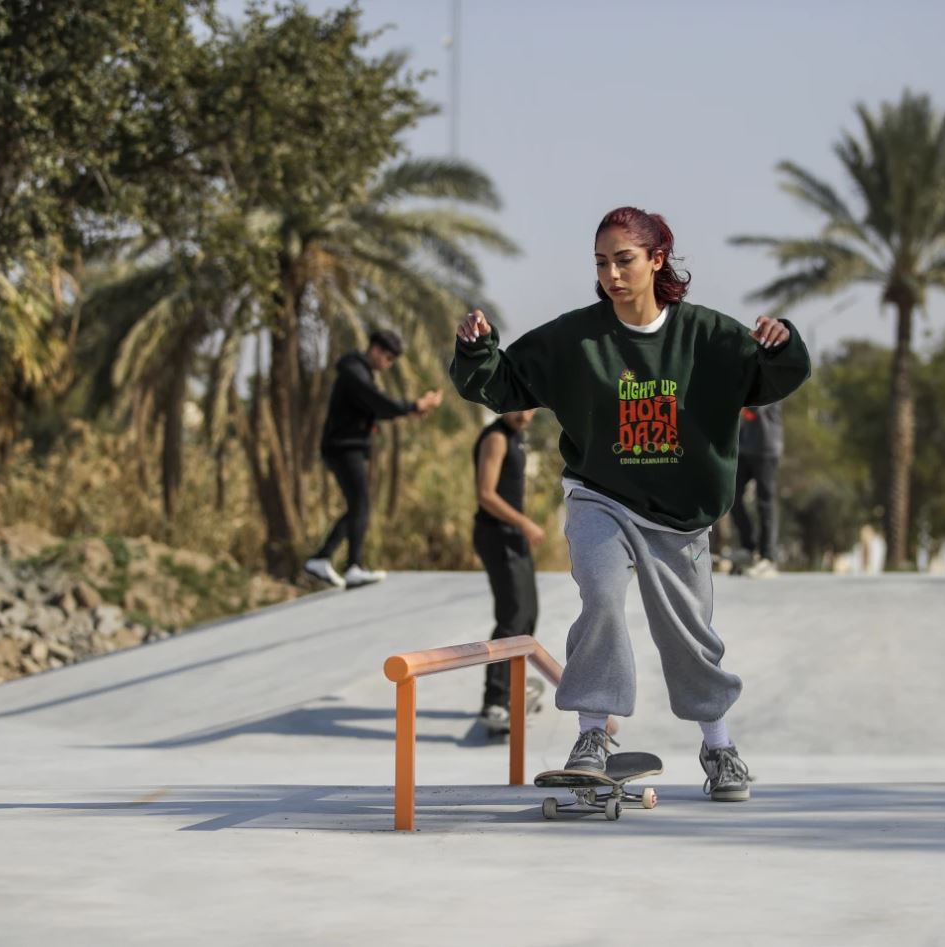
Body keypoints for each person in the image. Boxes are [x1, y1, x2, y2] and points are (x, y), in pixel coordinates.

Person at [450, 207, 811, 801]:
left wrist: (781, 342)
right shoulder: (577, 338)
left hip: (679, 514)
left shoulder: (707, 336)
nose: (612, 274)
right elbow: (503, 382)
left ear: (656, 260)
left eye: (624, 260)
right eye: (601, 262)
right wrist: (477, 348)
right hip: (601, 497)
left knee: (689, 633)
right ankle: (593, 734)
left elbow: (775, 376)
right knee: (602, 598)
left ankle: (718, 745)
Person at [304, 329, 442, 589]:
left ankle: (322, 558)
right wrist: (413, 406)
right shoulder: (354, 372)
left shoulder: (360, 373)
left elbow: (375, 408)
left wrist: (412, 409)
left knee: (359, 505)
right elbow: (378, 402)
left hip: (349, 447)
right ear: (376, 350)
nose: (388, 365)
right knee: (361, 503)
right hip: (343, 448)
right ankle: (352, 566)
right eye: (388, 358)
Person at [472, 409, 545, 734]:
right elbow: (485, 494)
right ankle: (495, 701)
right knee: (512, 615)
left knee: (528, 614)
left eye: (531, 408)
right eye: (520, 407)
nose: (525, 415)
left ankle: (513, 687)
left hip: (514, 537)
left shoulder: (516, 437)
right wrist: (524, 522)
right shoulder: (497, 437)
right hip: (497, 535)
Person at [730, 401, 783, 577]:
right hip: (745, 448)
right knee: (731, 496)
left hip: (767, 447)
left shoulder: (768, 376)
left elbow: (753, 408)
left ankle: (768, 556)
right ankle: (748, 547)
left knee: (765, 502)